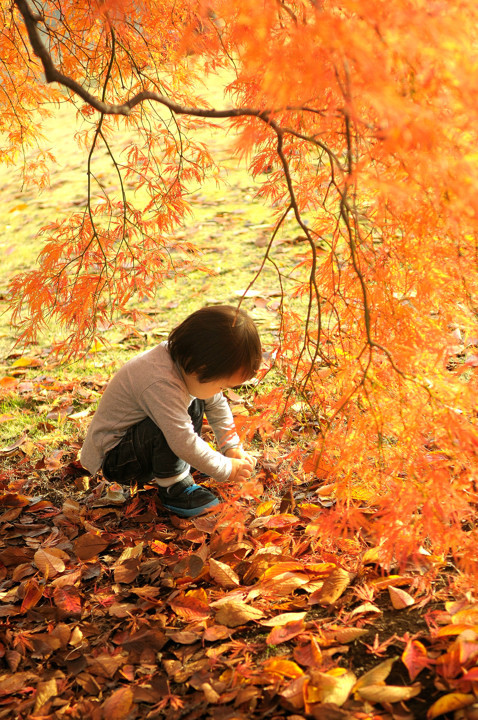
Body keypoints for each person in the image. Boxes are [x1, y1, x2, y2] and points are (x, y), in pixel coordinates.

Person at [80, 305, 261, 517]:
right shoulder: (160, 382)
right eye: (221, 386)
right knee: (169, 424)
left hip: (139, 445)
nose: (221, 392)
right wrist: (226, 469)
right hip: (117, 458)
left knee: (197, 401)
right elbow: (181, 439)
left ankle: (177, 466)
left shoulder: (185, 362)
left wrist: (231, 447)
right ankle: (174, 487)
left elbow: (217, 405)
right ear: (200, 368)